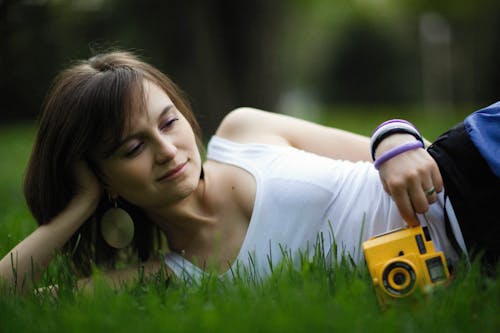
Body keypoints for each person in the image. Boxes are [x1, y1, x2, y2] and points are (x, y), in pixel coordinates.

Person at [0, 51, 497, 291]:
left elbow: (392, 147)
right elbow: (16, 297)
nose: (168, 150)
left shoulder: (244, 134)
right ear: (102, 175)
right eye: (133, 147)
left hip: (470, 169)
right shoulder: (172, 278)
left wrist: (394, 139)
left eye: (169, 121)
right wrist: (78, 206)